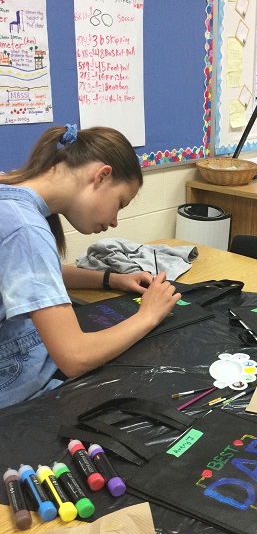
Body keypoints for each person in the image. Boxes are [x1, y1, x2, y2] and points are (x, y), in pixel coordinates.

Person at [0, 124, 180, 410]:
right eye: (120, 204)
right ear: (102, 176)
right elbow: (74, 357)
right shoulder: (24, 227)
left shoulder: (9, 193)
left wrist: (110, 279)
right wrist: (148, 315)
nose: (114, 222)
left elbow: (31, 275)